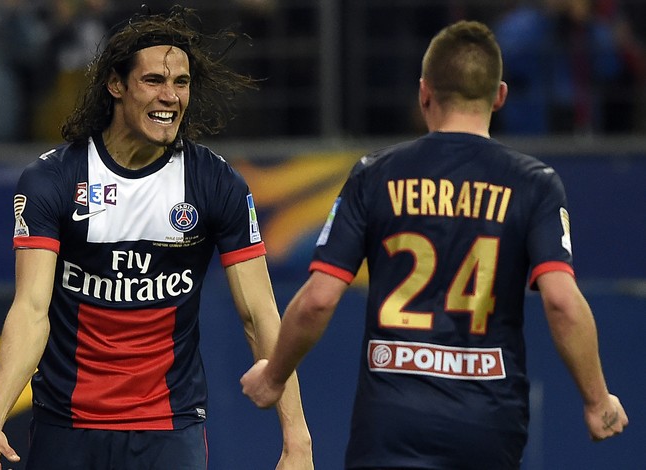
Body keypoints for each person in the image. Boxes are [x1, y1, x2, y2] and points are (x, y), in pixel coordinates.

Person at [240, 20, 628, 469]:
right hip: (489, 425)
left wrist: (273, 377)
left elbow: (318, 300)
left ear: (424, 93)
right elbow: (561, 301)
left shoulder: (374, 174)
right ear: (499, 96)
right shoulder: (535, 185)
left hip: (390, 425)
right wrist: (597, 400)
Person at [0, 6, 312, 470]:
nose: (170, 96)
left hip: (169, 429)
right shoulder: (53, 180)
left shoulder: (215, 184)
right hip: (68, 426)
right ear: (117, 85)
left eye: (181, 83)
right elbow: (32, 310)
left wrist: (298, 439)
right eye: (154, 80)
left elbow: (259, 314)